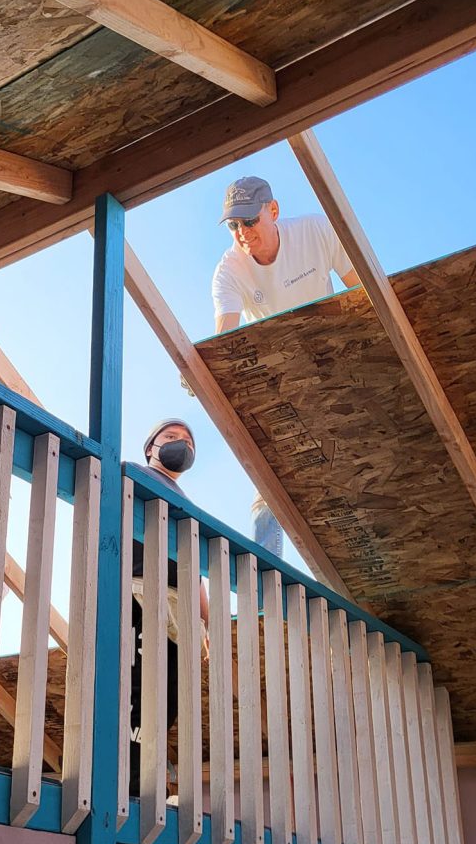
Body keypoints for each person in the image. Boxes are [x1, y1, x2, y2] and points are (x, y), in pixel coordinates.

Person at [209, 175, 360, 557]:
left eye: (249, 221)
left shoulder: (314, 230)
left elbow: (363, 292)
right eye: (233, 225)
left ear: (272, 211)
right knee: (268, 477)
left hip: (330, 364)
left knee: (350, 466)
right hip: (280, 378)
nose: (243, 233)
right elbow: (224, 337)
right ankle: (265, 575)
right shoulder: (229, 270)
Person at [128, 419, 209, 795]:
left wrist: (204, 624)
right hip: (140, 592)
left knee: (168, 698)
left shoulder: (189, 506)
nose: (181, 445)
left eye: (188, 442)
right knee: (137, 691)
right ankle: (127, 782)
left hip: (180, 608)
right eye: (171, 438)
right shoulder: (133, 475)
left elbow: (197, 572)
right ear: (151, 447)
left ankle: (147, 780)